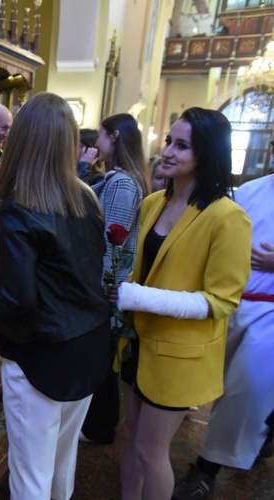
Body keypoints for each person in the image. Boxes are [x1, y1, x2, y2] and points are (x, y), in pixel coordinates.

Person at [0, 92, 111, 500]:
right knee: (61, 461)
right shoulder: (86, 196)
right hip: (89, 343)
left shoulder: (20, 205)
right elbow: (72, 269)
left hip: (41, 352)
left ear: (21, 139)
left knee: (30, 476)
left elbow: (19, 300)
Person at [115, 107, 252, 500]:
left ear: (206, 154)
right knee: (128, 435)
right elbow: (142, 271)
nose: (168, 151)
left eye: (182, 146)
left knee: (149, 449)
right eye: (169, 141)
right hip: (138, 340)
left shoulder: (227, 217)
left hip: (178, 352)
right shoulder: (153, 202)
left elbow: (222, 301)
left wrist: (141, 297)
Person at [172, 169, 274, 500]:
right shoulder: (251, 190)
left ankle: (207, 468)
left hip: (271, 311)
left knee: (247, 389)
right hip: (230, 300)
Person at [80, 113, 150, 446]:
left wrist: (100, 285)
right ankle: (98, 424)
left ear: (116, 137)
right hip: (107, 283)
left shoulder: (122, 182)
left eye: (103, 136)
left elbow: (112, 239)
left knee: (103, 360)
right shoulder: (118, 177)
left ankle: (100, 427)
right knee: (101, 357)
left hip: (107, 284)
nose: (97, 143)